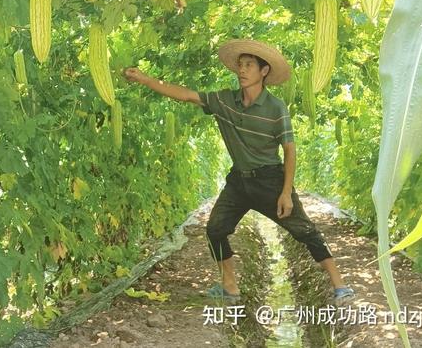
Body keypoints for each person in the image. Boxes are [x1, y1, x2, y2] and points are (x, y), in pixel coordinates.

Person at [123, 38, 355, 304]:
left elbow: (290, 150)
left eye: (249, 65)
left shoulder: (276, 108)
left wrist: (286, 192)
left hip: (270, 181)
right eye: (240, 65)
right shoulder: (224, 101)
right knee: (215, 230)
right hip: (239, 183)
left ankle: (340, 285)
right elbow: (185, 94)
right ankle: (230, 286)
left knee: (305, 231)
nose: (242, 70)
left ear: (264, 71)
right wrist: (143, 78)